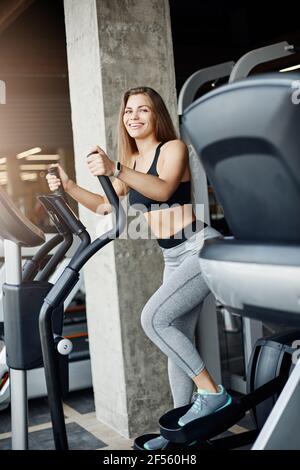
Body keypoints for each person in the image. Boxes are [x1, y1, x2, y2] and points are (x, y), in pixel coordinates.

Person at [46, 86, 231, 450]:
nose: (134, 116)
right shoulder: (133, 162)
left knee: (154, 320)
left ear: (156, 115)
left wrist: (116, 167)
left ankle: (212, 393)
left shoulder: (172, 148)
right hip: (172, 256)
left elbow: (162, 190)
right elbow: (105, 206)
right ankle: (183, 434)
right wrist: (68, 186)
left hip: (200, 247)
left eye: (143, 110)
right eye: (129, 111)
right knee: (174, 336)